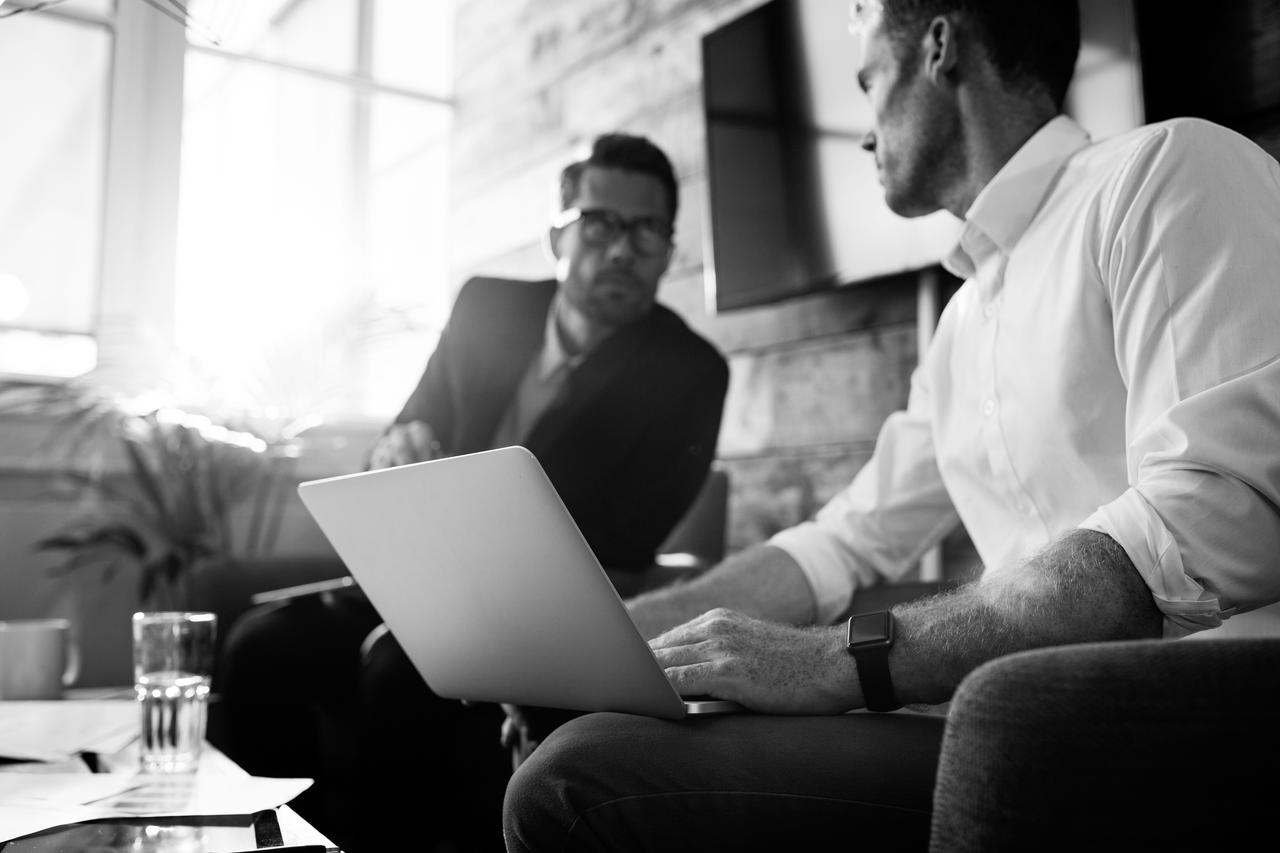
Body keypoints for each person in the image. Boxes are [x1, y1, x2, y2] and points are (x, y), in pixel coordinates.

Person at [502, 1, 1280, 850]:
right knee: (591, 747)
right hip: (1002, 720)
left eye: (869, 81)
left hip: (1190, 724)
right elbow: (843, 541)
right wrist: (612, 644)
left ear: (940, 48)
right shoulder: (962, 324)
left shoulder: (1165, 170)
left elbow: (1208, 513)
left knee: (579, 777)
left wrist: (839, 659)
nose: (863, 135)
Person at [215, 132, 729, 853]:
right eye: (600, 224)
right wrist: (396, 450)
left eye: (647, 230)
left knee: (402, 672)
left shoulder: (691, 371)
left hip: (538, 612)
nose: (621, 249)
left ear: (669, 248)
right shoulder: (486, 306)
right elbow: (404, 428)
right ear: (559, 234)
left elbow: (624, 538)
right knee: (259, 646)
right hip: (412, 582)